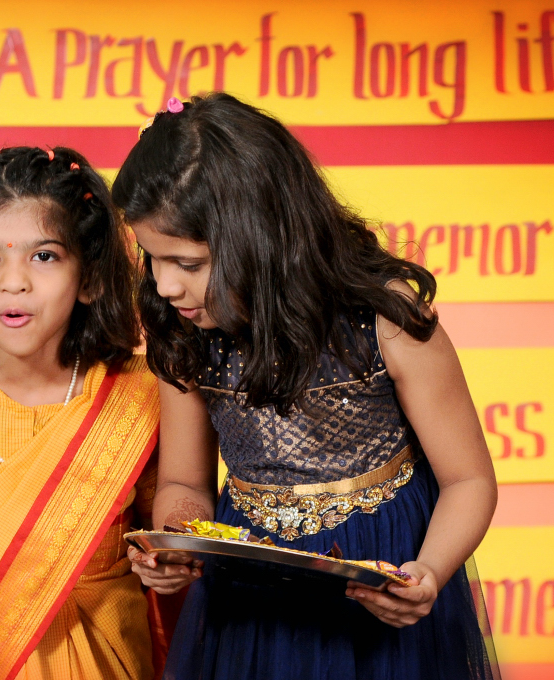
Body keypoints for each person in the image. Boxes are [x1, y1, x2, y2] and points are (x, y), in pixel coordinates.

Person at [115, 94, 498, 680]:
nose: (164, 285)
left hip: (381, 578)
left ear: (260, 236)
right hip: (250, 597)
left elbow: (468, 480)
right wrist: (176, 542)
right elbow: (183, 481)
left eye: (188, 263)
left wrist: (429, 573)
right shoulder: (184, 331)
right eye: (152, 258)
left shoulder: (383, 321)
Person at [0, 146, 163, 680]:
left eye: (44, 256)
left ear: (90, 278)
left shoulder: (139, 395)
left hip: (109, 659)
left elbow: (167, 528)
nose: (13, 281)